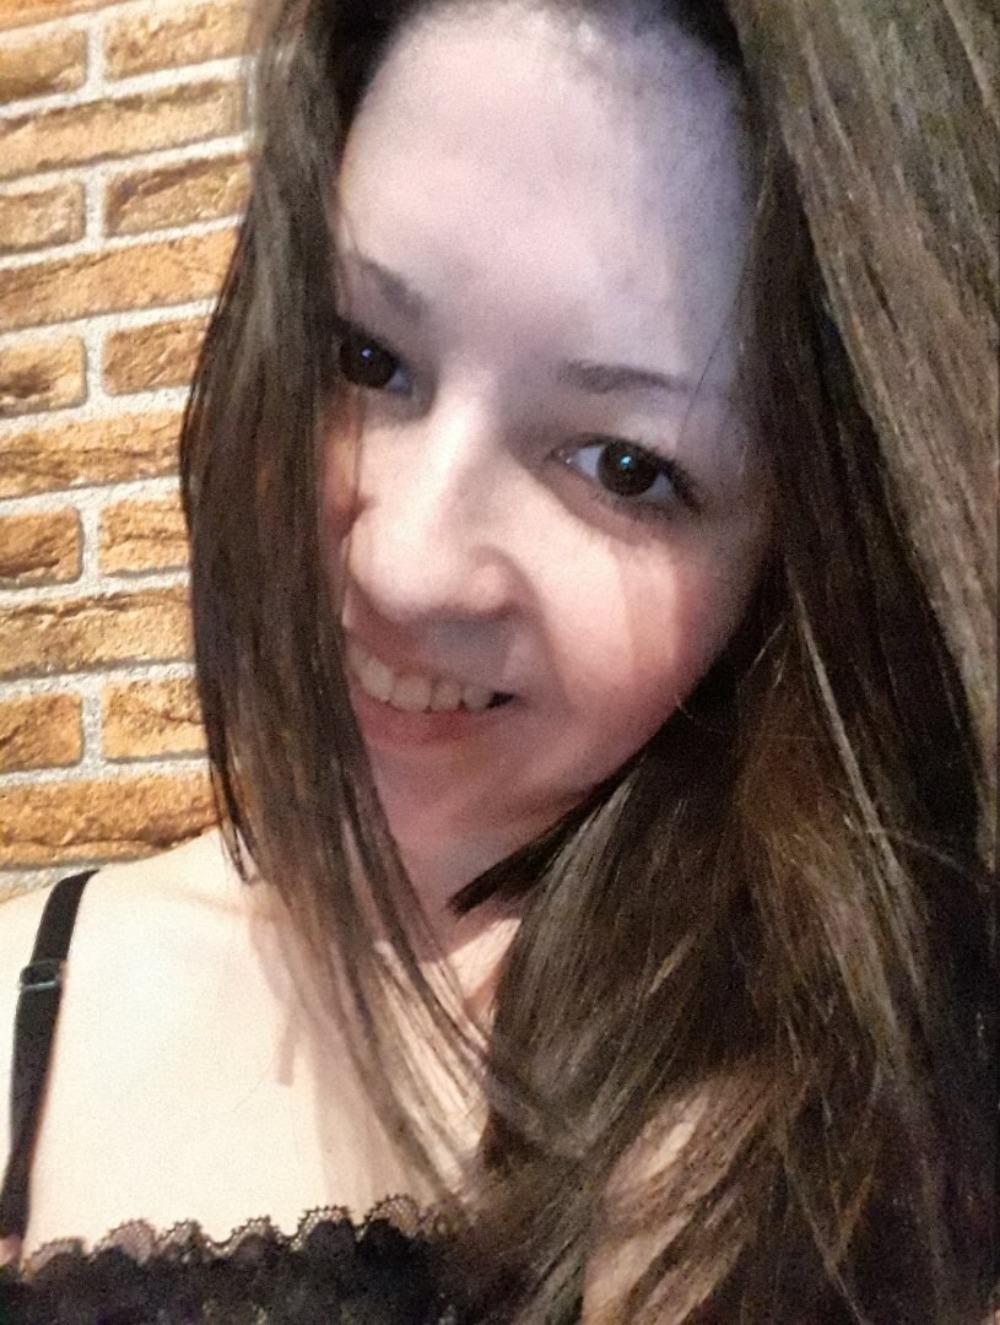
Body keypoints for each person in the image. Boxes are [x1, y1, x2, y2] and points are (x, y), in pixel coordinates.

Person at [0, 0, 995, 1320]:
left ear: (800, 558)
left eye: (625, 466)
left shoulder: (859, 1095)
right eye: (363, 356)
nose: (404, 564)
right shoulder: (29, 984)